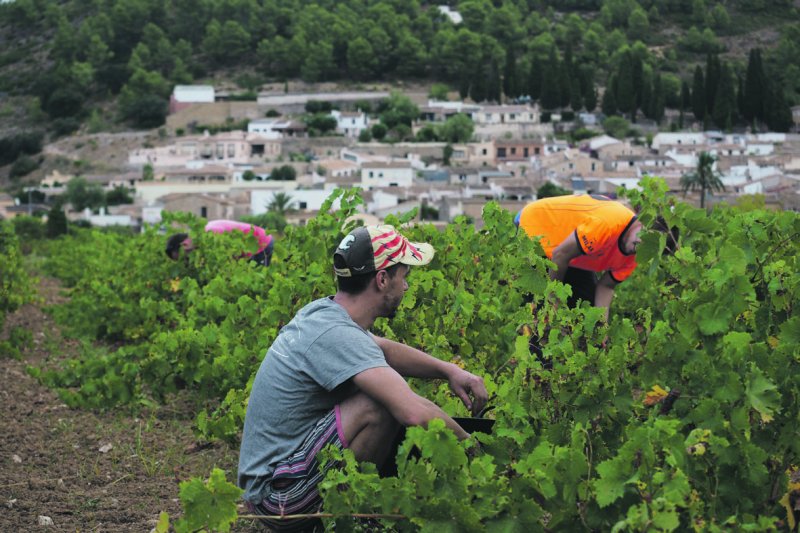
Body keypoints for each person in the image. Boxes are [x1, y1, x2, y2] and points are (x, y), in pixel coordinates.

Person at [237, 224, 488, 531]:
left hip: (276, 484)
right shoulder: (336, 334)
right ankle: (350, 519)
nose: (406, 287)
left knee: (387, 390)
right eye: (404, 276)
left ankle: (354, 511)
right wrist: (478, 455)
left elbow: (384, 350)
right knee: (381, 403)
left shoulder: (324, 313)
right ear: (382, 279)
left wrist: (449, 370)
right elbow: (413, 411)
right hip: (278, 500)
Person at [514, 194, 643, 318]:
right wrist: (553, 300)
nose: (640, 247)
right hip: (537, 227)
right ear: (643, 222)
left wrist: (601, 326)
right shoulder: (607, 224)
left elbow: (606, 286)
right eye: (644, 238)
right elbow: (560, 255)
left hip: (571, 252)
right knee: (544, 315)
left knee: (586, 310)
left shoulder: (637, 253)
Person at [165, 220, 274, 267]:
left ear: (184, 244)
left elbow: (229, 256)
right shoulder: (201, 238)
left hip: (261, 243)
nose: (187, 258)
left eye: (184, 256)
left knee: (257, 282)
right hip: (250, 248)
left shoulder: (212, 234)